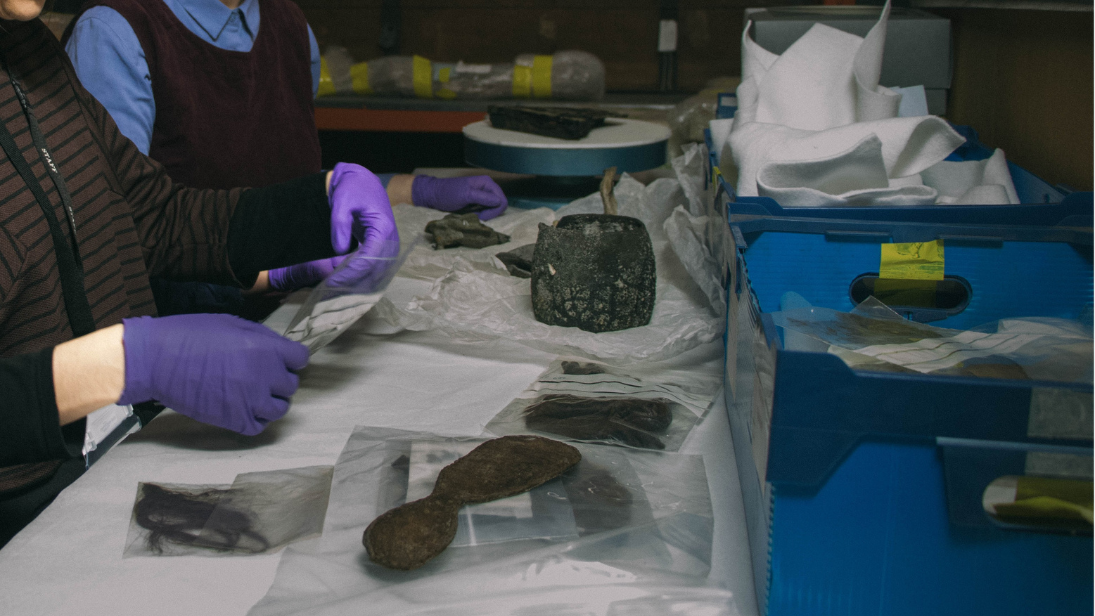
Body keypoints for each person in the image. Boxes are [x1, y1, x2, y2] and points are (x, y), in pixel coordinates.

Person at [0, 0, 399, 545]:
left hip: (104, 470)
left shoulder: (25, 48)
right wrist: (127, 363)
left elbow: (153, 217)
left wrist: (318, 201)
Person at [62, 0, 508, 317]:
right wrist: (270, 274)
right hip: (189, 335)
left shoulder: (289, 22)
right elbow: (118, 238)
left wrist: (418, 189)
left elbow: (281, 177)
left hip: (298, 314)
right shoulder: (114, 32)